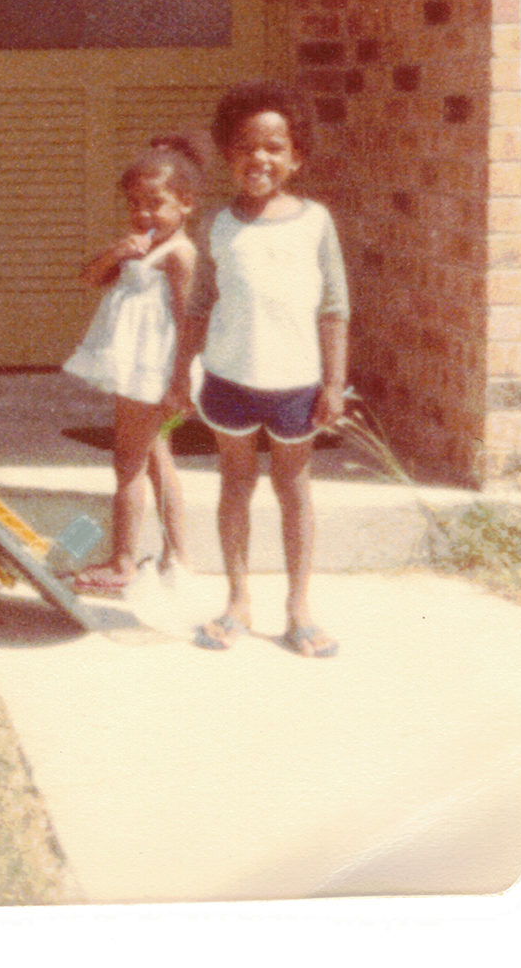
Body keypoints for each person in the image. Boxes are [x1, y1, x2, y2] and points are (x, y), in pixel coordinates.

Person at [170, 82, 350, 658]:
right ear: (228, 154)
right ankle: (238, 600)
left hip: (296, 385)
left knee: (293, 489)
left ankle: (298, 608)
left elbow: (334, 309)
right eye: (247, 146)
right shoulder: (218, 225)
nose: (261, 158)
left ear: (296, 157)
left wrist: (333, 385)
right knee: (236, 484)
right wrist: (180, 375)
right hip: (228, 380)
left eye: (275, 147)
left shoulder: (315, 222)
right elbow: (198, 306)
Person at [61, 137, 203, 595]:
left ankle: (122, 560)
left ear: (186, 204)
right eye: (135, 204)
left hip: (157, 373)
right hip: (139, 371)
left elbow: (189, 324)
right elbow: (88, 278)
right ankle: (177, 556)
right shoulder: (140, 248)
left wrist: (180, 382)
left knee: (128, 463)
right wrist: (116, 253)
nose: (144, 214)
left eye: (156, 204)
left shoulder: (179, 256)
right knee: (156, 458)